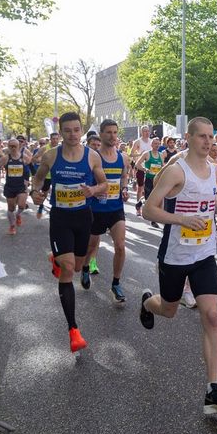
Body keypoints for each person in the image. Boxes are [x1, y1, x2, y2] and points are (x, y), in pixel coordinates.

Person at [139, 117, 217, 414]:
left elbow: (211, 195)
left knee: (211, 316)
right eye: (202, 137)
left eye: (211, 137)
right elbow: (148, 209)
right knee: (169, 310)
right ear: (189, 137)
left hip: (204, 254)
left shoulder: (215, 169)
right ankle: (147, 304)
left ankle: (213, 390)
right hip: (175, 255)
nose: (208, 142)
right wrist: (182, 219)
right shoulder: (175, 171)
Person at [29, 112, 108, 354]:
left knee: (76, 266)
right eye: (67, 130)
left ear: (81, 130)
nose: (72, 135)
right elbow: (38, 180)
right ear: (60, 132)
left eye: (76, 130)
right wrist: (35, 193)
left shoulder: (92, 156)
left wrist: (93, 190)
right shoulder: (51, 155)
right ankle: (73, 329)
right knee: (68, 267)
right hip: (61, 218)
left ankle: (58, 259)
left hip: (83, 217)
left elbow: (104, 184)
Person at [86, 119, 128, 303]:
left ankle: (116, 283)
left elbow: (124, 176)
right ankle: (86, 267)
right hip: (96, 209)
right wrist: (94, 190)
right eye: (108, 132)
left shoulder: (122, 157)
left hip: (116, 208)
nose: (112, 136)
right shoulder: (93, 157)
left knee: (120, 245)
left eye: (115, 132)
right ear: (101, 134)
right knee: (91, 245)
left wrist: (124, 188)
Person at [0, 138, 32, 236]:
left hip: (21, 186)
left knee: (21, 205)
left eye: (15, 146)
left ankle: (18, 215)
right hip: (10, 187)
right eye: (11, 146)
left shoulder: (25, 157)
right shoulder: (5, 158)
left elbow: (32, 169)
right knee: (11, 208)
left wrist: (31, 179)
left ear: (19, 146)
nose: (13, 148)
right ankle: (12, 225)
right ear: (8, 147)